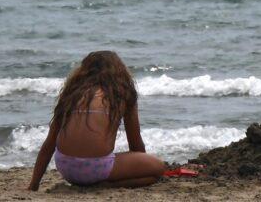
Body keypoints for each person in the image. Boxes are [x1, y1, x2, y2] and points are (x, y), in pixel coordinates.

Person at [28, 51, 165, 191]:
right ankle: (109, 185)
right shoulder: (122, 95)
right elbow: (135, 142)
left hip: (66, 168)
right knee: (158, 168)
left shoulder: (71, 94)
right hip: (98, 169)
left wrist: (34, 184)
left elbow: (49, 144)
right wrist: (140, 162)